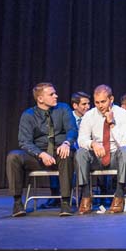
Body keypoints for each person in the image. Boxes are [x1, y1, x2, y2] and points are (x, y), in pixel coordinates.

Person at [6, 83, 77, 217]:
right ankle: (17, 203)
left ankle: (66, 202)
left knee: (66, 155)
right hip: (38, 154)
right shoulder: (29, 115)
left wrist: (67, 143)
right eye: (51, 94)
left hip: (59, 150)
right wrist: (40, 153)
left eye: (55, 93)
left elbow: (72, 129)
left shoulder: (63, 108)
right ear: (40, 99)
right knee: (13, 156)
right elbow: (24, 141)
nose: (56, 96)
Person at [75, 84, 126, 214]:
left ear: (111, 99)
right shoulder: (89, 115)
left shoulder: (123, 115)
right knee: (80, 153)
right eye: (97, 102)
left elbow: (124, 142)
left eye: (103, 101)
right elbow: (81, 139)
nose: (100, 105)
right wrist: (93, 144)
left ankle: (119, 195)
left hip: (115, 156)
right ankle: (85, 197)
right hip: (96, 156)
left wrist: (112, 124)